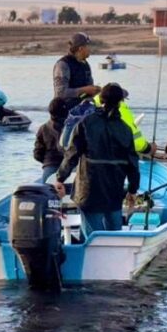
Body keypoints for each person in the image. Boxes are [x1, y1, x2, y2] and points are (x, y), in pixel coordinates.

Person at [54, 83, 140, 233]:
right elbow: (133, 164)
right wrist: (132, 190)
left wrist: (60, 178)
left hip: (89, 191)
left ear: (100, 99)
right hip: (114, 192)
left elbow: (72, 154)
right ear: (120, 102)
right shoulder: (125, 130)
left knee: (93, 236)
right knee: (114, 235)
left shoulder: (86, 123)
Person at [53, 32, 101, 101]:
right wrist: (84, 90)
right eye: (88, 46)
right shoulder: (63, 65)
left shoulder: (85, 65)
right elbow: (60, 93)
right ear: (80, 48)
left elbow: (90, 89)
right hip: (65, 109)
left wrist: (97, 90)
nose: (91, 49)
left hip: (83, 108)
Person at [33, 98, 70, 183]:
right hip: (68, 166)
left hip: (49, 166)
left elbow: (37, 154)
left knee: (47, 191)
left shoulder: (43, 128)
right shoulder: (72, 128)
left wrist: (47, 161)